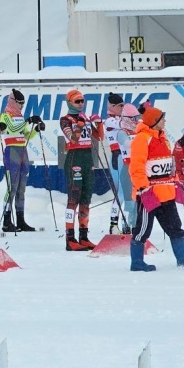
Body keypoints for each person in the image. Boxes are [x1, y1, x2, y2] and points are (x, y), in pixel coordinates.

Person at [128, 104, 184, 271]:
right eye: (162, 118)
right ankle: (137, 263)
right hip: (149, 193)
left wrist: (175, 183)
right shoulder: (141, 138)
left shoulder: (163, 138)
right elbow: (136, 167)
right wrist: (143, 187)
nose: (165, 121)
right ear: (155, 121)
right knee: (143, 230)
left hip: (166, 192)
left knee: (176, 228)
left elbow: (169, 164)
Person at [59, 89, 102, 251]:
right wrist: (79, 127)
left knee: (86, 197)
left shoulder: (84, 117)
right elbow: (73, 138)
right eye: (77, 101)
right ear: (70, 102)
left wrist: (99, 124)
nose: (81, 104)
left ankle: (84, 236)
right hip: (74, 158)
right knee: (74, 198)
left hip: (87, 158)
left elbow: (99, 137)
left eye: (82, 101)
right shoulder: (65, 119)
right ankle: (70, 237)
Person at [0, 89, 43, 232]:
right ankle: (6, 220)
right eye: (19, 103)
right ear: (13, 102)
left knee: (21, 189)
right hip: (11, 151)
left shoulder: (20, 116)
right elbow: (11, 129)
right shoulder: (5, 115)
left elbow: (25, 135)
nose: (22, 106)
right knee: (12, 187)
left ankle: (20, 219)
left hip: (22, 150)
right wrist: (28, 120)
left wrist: (36, 129)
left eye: (23, 104)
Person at [103, 93, 126, 234]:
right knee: (121, 193)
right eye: (121, 106)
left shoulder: (120, 118)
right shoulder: (110, 121)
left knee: (129, 193)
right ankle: (113, 224)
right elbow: (125, 124)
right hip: (117, 157)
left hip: (126, 157)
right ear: (112, 106)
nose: (123, 108)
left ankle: (126, 224)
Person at [116, 103, 140, 234]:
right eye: (133, 118)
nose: (136, 121)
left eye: (137, 117)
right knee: (130, 201)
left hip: (139, 168)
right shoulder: (122, 132)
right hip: (128, 168)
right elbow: (128, 144)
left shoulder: (139, 130)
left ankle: (136, 226)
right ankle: (125, 225)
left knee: (139, 201)